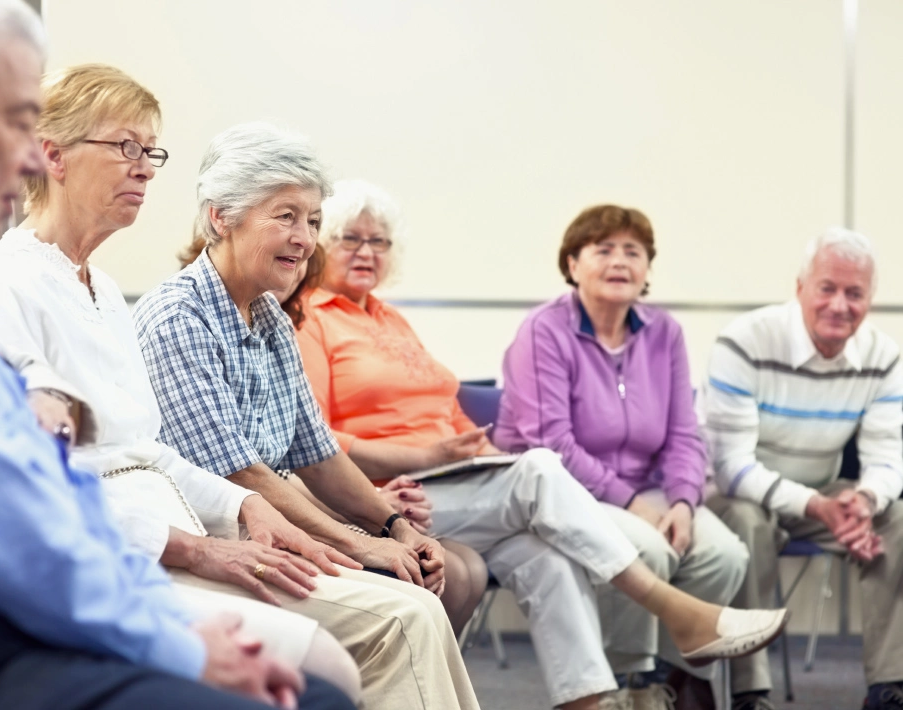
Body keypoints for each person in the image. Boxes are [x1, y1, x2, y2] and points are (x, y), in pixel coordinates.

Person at [0, 2, 353, 710]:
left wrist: (240, 506)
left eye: (149, 152)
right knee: (315, 689)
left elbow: (94, 463)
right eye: (15, 121)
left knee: (332, 666)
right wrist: (167, 628)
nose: (31, 154)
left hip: (49, 576)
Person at [294, 180, 787, 710]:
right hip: (384, 495)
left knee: (547, 557)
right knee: (540, 467)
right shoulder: (310, 319)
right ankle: (678, 612)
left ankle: (590, 704)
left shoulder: (389, 318)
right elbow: (318, 442)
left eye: (380, 242)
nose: (366, 252)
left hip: (451, 486)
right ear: (322, 244)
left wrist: (481, 452)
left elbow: (446, 415)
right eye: (350, 239)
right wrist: (427, 460)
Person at [134, 122, 480, 709]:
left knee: (430, 580)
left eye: (314, 221)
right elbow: (241, 475)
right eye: (286, 216)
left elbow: (318, 452)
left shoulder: (267, 314)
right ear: (221, 217)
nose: (304, 238)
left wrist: (394, 524)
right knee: (411, 611)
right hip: (219, 540)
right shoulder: (177, 317)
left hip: (276, 522)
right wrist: (362, 545)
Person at [495, 204, 751, 701]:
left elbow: (683, 433)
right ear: (572, 264)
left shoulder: (665, 332)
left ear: (647, 268)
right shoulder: (543, 330)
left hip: (651, 489)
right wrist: (634, 503)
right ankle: (628, 680)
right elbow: (552, 442)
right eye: (603, 249)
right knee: (646, 547)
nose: (620, 261)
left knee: (724, 554)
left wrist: (682, 501)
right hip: (562, 491)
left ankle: (678, 679)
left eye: (633, 251)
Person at [222, 241, 490, 636]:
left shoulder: (275, 324)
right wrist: (375, 520)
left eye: (379, 242)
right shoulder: (209, 319)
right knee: (436, 578)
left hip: (340, 494)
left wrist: (389, 519)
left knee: (470, 567)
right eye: (351, 240)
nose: (297, 256)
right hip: (255, 519)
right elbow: (253, 474)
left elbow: (314, 453)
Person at [703, 228, 903, 710]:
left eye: (854, 293)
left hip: (825, 492)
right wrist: (817, 504)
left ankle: (889, 689)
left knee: (897, 522)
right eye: (827, 288)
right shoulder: (744, 341)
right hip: (741, 494)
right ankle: (751, 693)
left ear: (870, 299)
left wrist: (865, 500)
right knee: (748, 527)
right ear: (800, 289)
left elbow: (888, 458)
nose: (840, 305)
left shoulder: (884, 357)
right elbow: (730, 466)